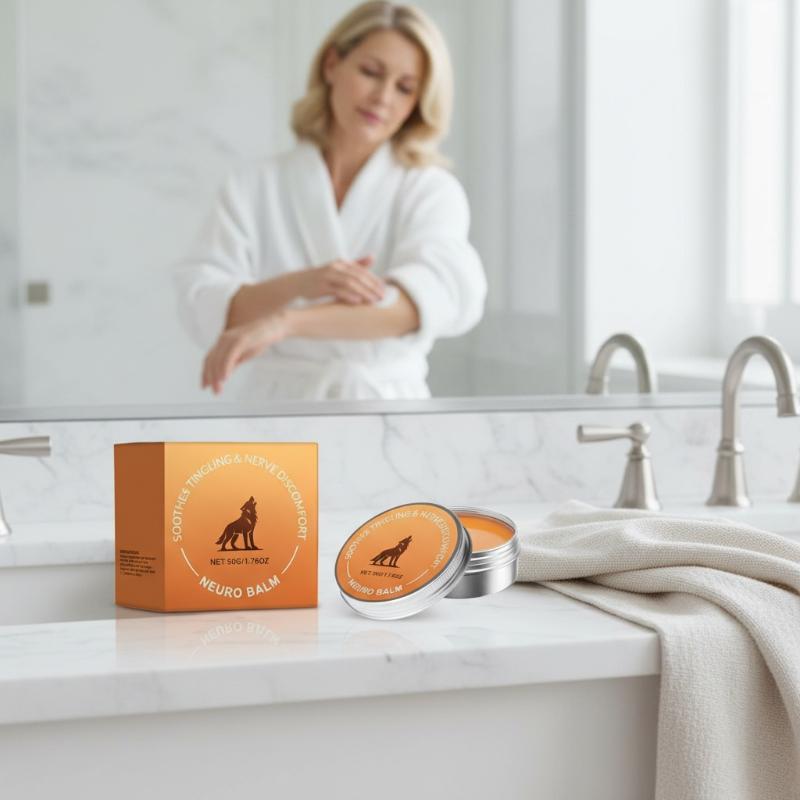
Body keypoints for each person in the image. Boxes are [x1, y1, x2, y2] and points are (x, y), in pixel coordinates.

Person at [174, 1, 486, 401]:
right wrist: (302, 283)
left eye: (405, 88)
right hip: (280, 403)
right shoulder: (253, 185)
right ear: (332, 64)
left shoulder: (429, 190)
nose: (383, 97)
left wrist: (286, 322)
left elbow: (422, 305)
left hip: (388, 405)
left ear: (417, 102)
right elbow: (207, 307)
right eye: (371, 72)